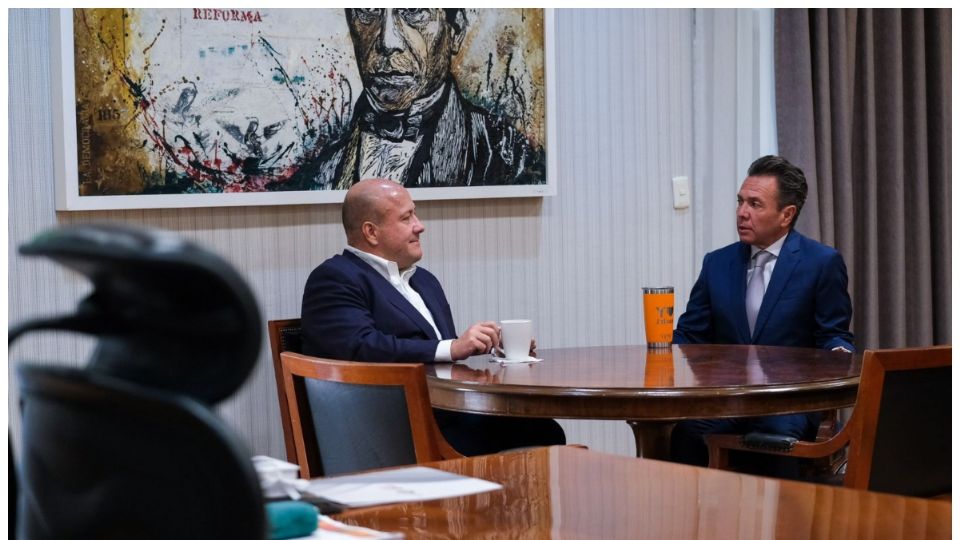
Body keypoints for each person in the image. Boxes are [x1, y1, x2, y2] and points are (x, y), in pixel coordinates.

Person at [301, 178, 565, 455]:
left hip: (443, 411)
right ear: (371, 232)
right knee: (540, 434)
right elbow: (359, 348)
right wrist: (453, 346)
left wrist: (492, 348)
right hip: (386, 427)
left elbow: (440, 359)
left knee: (542, 428)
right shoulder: (336, 278)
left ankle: (509, 500)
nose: (420, 225)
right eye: (407, 217)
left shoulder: (424, 281)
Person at [670, 155, 854, 478]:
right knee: (684, 432)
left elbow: (833, 335)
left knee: (773, 438)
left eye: (755, 204)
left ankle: (782, 526)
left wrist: (839, 355)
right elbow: (689, 337)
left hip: (788, 405)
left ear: (786, 215)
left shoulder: (821, 263)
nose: (742, 213)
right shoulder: (717, 264)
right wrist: (662, 358)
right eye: (741, 201)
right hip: (727, 402)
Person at [288, 8, 542, 190]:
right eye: (367, 10)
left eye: (413, 11)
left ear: (456, 30)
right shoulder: (315, 175)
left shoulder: (510, 157)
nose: (388, 41)